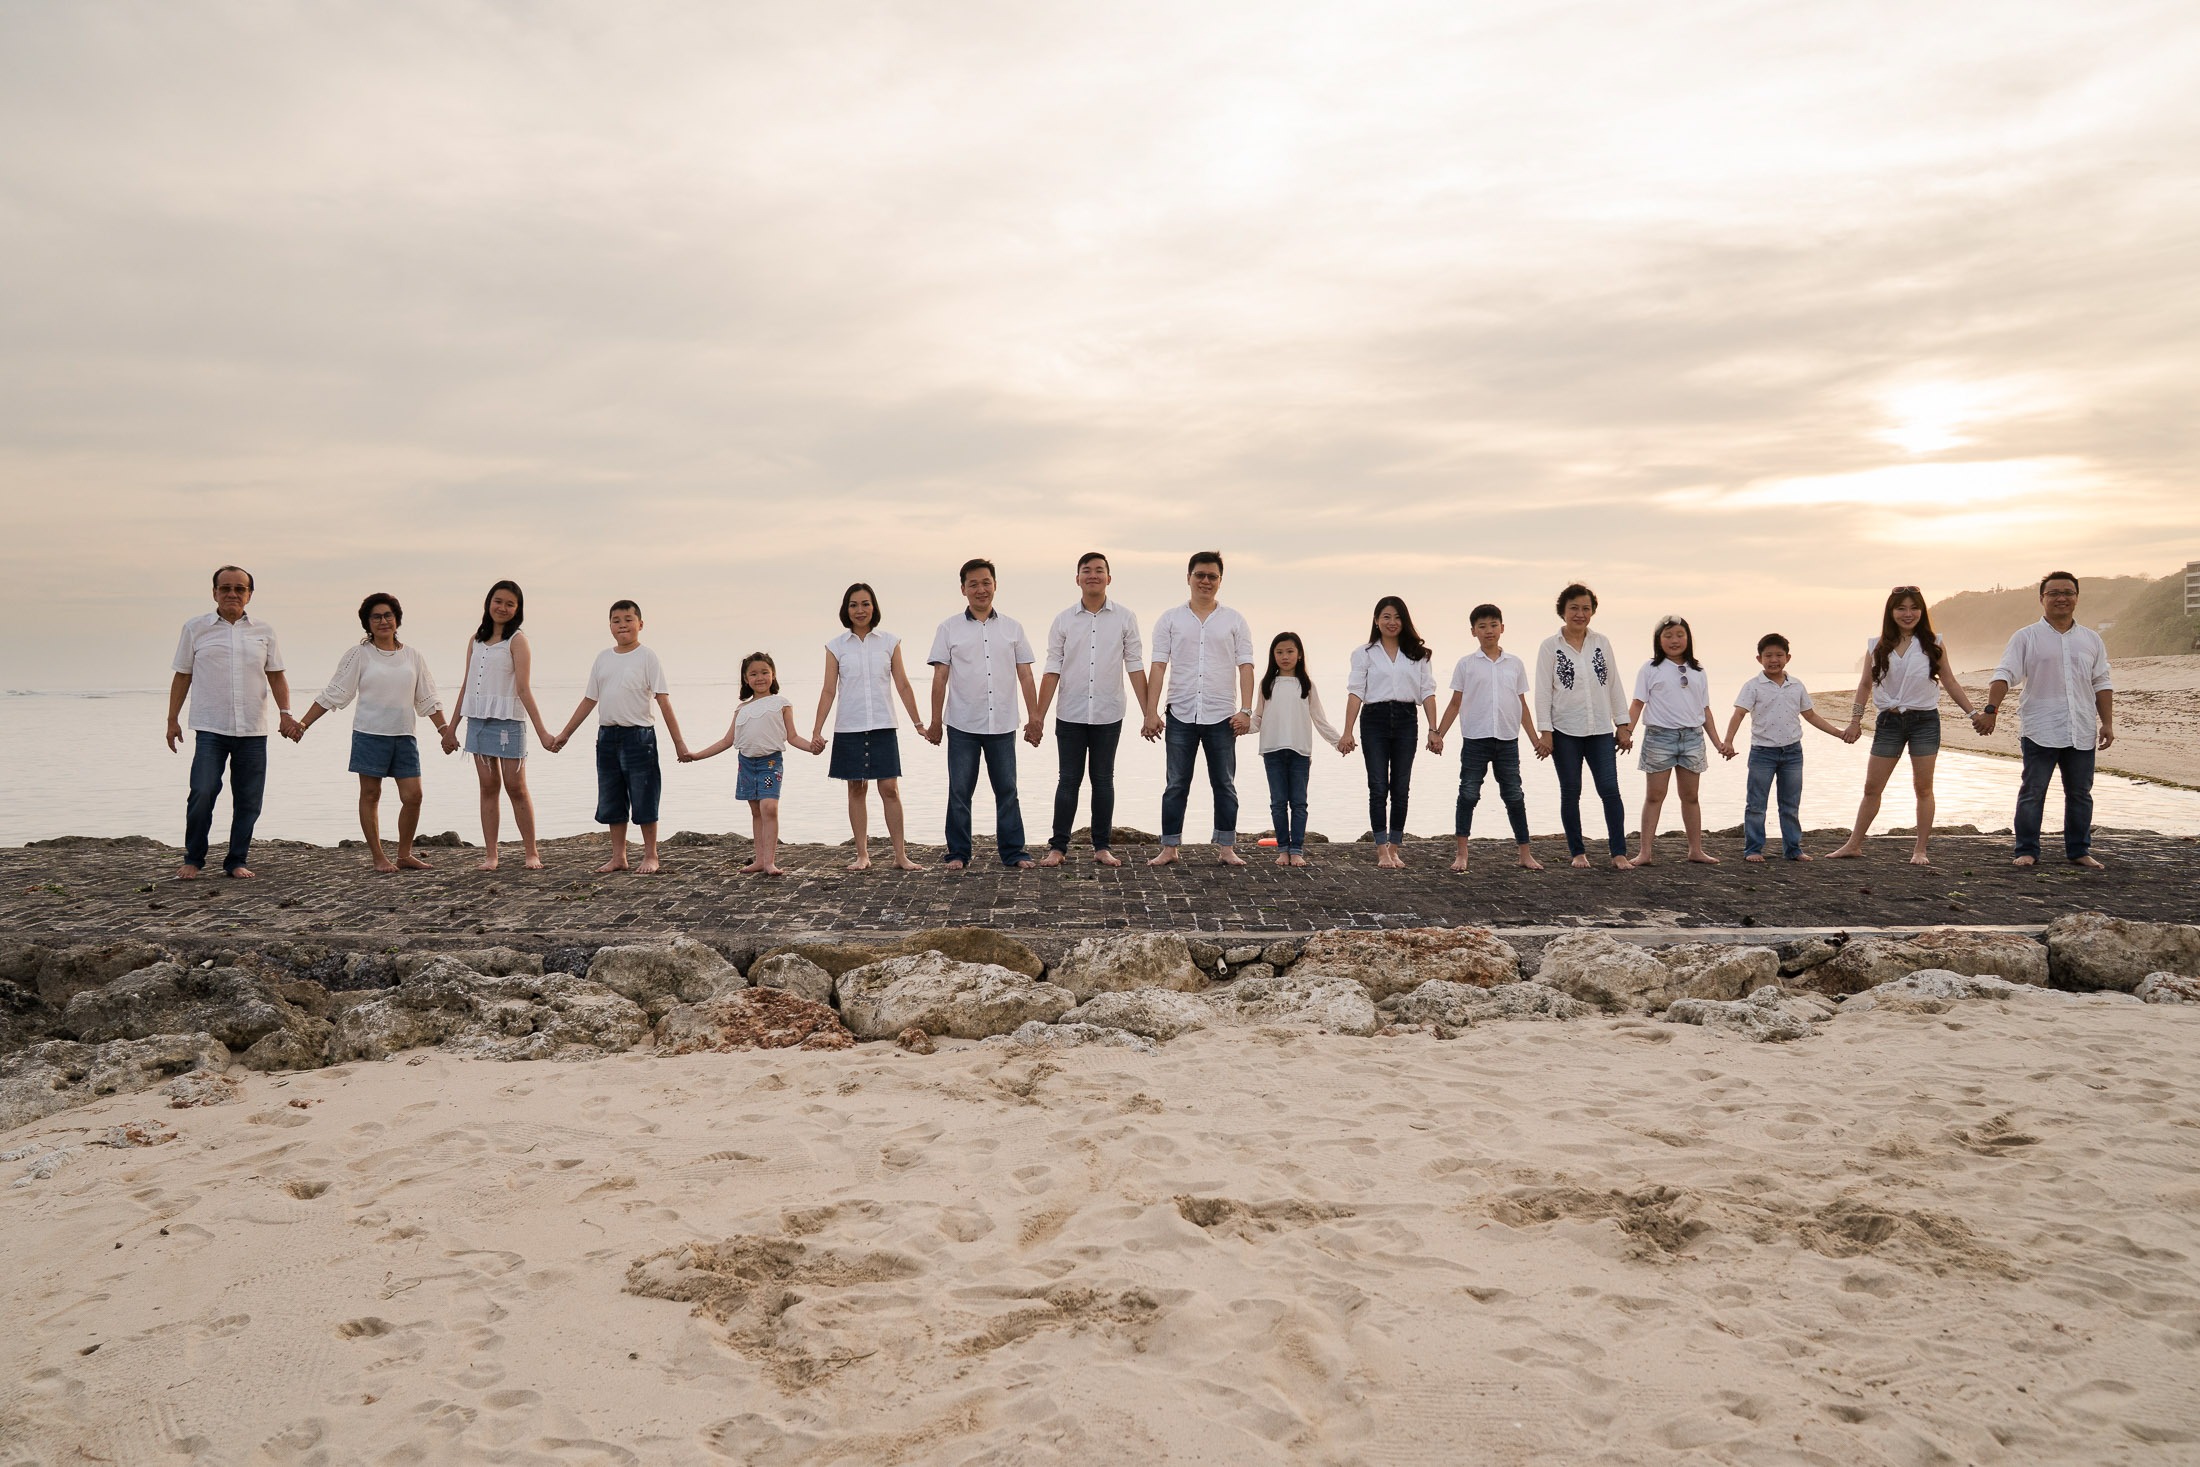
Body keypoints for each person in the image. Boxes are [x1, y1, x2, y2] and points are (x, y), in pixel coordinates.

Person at [293, 593, 453, 873]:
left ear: (397, 619)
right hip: (369, 735)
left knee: (413, 796)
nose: (383, 621)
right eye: (376, 617)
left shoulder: (413, 656)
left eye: (388, 615)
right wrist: (303, 724)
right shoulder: (359, 654)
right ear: (367, 623)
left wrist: (444, 731)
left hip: (404, 736)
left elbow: (427, 698)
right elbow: (334, 693)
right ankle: (379, 857)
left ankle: (404, 854)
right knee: (370, 795)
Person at [1824, 587, 1983, 867]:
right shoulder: (1876, 645)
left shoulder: (1933, 643)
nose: (1908, 614)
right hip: (1888, 722)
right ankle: (1853, 844)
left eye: (1913, 608)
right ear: (1891, 612)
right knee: (1872, 787)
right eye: (1901, 608)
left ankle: (1920, 850)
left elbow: (1949, 680)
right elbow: (1865, 685)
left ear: (1922, 611)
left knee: (1923, 788)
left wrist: (1973, 714)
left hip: (1924, 722)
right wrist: (1855, 721)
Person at [167, 566, 298, 880]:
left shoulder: (264, 631)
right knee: (202, 791)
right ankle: (193, 858)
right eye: (225, 588)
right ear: (214, 592)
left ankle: (237, 860)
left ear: (249, 594)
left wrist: (285, 713)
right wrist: (172, 719)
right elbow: (183, 675)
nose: (232, 594)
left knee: (249, 800)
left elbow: (276, 675)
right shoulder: (195, 628)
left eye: (240, 589)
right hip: (211, 728)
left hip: (253, 729)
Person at [1977, 571, 2115, 869]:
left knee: (2080, 794)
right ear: (2042, 599)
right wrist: (1991, 710)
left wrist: (2107, 723)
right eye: (2053, 593)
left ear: (2076, 597)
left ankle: (2079, 850)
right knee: (2033, 791)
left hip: (2081, 728)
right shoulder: (2026, 637)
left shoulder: (2091, 639)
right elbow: (2005, 674)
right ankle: (2026, 850)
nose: (2061, 598)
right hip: (2040, 728)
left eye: (2068, 592)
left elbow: (2101, 682)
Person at [551, 599, 691, 875]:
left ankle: (651, 855)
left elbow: (663, 700)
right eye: (616, 620)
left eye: (628, 619)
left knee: (644, 795)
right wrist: (565, 734)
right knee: (611, 797)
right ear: (610, 626)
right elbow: (589, 700)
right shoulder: (603, 658)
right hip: (607, 737)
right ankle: (619, 857)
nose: (622, 625)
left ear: (641, 624)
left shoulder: (647, 657)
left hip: (639, 737)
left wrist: (679, 743)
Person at [1032, 552, 1149, 868]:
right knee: (1068, 780)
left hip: (1109, 712)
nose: (1093, 575)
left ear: (1109, 578)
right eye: (1087, 570)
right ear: (1078, 579)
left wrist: (1149, 712)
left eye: (1099, 570)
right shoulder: (1063, 620)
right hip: (1070, 712)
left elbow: (1135, 665)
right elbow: (1052, 668)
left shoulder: (1125, 617)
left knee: (1103, 779)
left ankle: (1102, 847)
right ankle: (1058, 848)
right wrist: (1037, 717)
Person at [926, 559, 1040, 871]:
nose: (981, 589)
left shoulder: (1013, 628)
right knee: (960, 791)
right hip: (962, 723)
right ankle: (958, 853)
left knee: (1007, 791)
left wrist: (1035, 717)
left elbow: (1026, 675)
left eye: (986, 582)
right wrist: (935, 721)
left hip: (1002, 723)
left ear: (995, 585)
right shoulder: (948, 628)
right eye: (973, 584)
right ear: (963, 589)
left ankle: (1014, 853)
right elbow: (940, 678)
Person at [1144, 550, 1257, 866]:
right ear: (1189, 577)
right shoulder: (1170, 619)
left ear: (1220, 581)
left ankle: (1226, 847)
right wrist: (1151, 712)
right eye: (1200, 575)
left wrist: (1246, 710)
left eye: (1212, 576)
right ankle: (1169, 847)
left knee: (1224, 783)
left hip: (1222, 715)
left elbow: (1246, 666)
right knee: (1176, 784)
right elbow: (1158, 666)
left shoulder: (1234, 620)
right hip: (1180, 712)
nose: (1205, 581)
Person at [807, 583, 926, 872]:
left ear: (874, 607)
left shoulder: (890, 642)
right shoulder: (836, 646)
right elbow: (828, 690)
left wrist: (918, 723)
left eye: (865, 604)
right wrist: (816, 730)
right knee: (856, 789)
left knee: (890, 789)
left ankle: (900, 855)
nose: (860, 610)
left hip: (883, 725)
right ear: (846, 610)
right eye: (853, 605)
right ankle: (862, 854)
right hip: (849, 726)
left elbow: (903, 684)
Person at [442, 580, 559, 871]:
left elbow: (524, 689)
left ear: (517, 609)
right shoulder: (476, 640)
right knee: (488, 786)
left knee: (516, 786)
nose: (503, 608)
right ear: (488, 602)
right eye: (498, 601)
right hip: (478, 720)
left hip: (509, 720)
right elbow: (467, 685)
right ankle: (491, 855)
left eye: (510, 604)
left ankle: (531, 852)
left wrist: (543, 732)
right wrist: (451, 728)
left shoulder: (517, 641)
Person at [1430, 604, 1546, 872]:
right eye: (1482, 626)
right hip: (1475, 739)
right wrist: (1438, 734)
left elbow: (1522, 705)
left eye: (1493, 625)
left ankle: (1525, 853)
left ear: (1502, 628)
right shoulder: (1466, 664)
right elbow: (1455, 703)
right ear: (1473, 631)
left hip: (1507, 740)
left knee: (1514, 795)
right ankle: (1461, 854)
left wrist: (1535, 740)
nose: (1488, 631)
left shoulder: (1515, 663)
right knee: (1468, 794)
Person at [685, 652, 821, 876]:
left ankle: (770, 862)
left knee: (769, 807)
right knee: (756, 811)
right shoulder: (741, 709)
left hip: (770, 762)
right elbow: (727, 741)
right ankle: (759, 860)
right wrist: (697, 755)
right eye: (754, 674)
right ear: (746, 679)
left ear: (773, 675)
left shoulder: (781, 704)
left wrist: (812, 748)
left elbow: (793, 736)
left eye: (765, 672)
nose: (760, 678)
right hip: (746, 764)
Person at [1723, 633, 1855, 863]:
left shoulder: (1796, 685)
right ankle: (1753, 849)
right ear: (1759, 659)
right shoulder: (1753, 686)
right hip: (1762, 753)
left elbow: (1810, 715)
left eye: (1779, 655)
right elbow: (1739, 714)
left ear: (1788, 658)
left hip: (1792, 753)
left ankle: (1793, 849)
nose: (1774, 660)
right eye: (1768, 656)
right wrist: (1728, 741)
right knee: (1756, 804)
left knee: (1790, 804)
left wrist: (1838, 733)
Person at [1534, 583, 1635, 870]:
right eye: (1574, 608)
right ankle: (1577, 853)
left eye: (1586, 608)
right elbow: (1543, 692)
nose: (1580, 614)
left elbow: (1614, 684)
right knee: (1571, 791)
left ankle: (1619, 853)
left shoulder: (1601, 642)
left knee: (1610, 790)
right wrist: (1545, 732)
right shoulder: (1550, 646)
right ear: (1563, 611)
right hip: (1565, 731)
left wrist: (1623, 725)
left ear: (1593, 611)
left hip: (1601, 730)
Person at [1337, 596, 1438, 867]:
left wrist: (1434, 729)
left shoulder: (1419, 654)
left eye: (1397, 617)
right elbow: (1356, 692)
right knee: (1378, 785)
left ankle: (1395, 847)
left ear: (1404, 621)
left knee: (1401, 787)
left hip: (1406, 718)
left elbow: (1427, 692)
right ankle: (1381, 849)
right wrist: (1347, 732)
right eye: (1386, 617)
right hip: (1374, 719)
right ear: (1376, 620)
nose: (1392, 622)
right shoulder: (1364, 653)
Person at [1627, 615, 1735, 865]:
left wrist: (1718, 743)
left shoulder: (1698, 671)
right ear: (1658, 640)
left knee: (1690, 796)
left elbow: (1705, 710)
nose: (1674, 640)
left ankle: (1695, 850)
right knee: (1655, 795)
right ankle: (1645, 852)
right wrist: (1626, 732)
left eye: (1679, 635)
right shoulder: (1650, 668)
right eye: (1668, 636)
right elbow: (1637, 703)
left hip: (1692, 737)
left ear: (1688, 638)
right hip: (1659, 737)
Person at [1248, 632, 1342, 866]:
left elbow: (1319, 719)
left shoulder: (1306, 685)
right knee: (1278, 803)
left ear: (1299, 655)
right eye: (1279, 652)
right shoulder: (1267, 684)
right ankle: (1283, 850)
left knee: (1299, 803)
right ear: (1273, 655)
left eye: (1290, 651)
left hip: (1300, 751)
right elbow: (1258, 719)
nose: (1285, 656)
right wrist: (1240, 727)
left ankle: (1297, 850)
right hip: (1272, 750)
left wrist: (1338, 741)